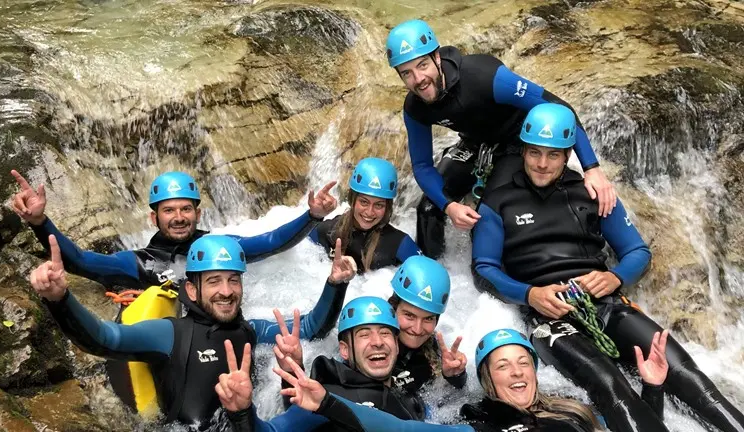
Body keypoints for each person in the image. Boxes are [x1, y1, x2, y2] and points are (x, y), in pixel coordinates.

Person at [471, 103, 744, 432]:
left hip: (606, 304)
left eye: (553, 155)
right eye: (534, 153)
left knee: (686, 374)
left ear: (568, 153)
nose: (542, 164)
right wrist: (530, 295)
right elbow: (483, 270)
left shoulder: (593, 193)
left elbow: (637, 252)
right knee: (610, 385)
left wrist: (614, 277)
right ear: (524, 151)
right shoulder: (498, 202)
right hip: (550, 320)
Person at [29, 233, 356, 428]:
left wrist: (336, 285)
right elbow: (104, 339)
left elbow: (312, 329)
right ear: (193, 290)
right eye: (214, 281)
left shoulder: (252, 330)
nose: (226, 290)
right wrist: (60, 299)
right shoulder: (170, 334)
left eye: (233, 280)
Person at [385, 19, 617, 259]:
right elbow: (422, 166)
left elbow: (559, 108)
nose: (418, 78)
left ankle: (488, 279)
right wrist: (449, 205)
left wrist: (592, 168)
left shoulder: (484, 77)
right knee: (428, 208)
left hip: (519, 142)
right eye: (407, 73)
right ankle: (432, 276)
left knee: (488, 215)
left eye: (422, 65)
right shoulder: (415, 107)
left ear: (437, 57)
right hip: (476, 144)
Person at [261, 327, 669, 432]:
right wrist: (328, 402)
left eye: (522, 363)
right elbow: (401, 430)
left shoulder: (576, 411)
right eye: (503, 366)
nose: (516, 372)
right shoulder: (481, 423)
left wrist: (652, 388)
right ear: (489, 383)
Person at [12, 170, 337, 289]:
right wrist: (40, 223)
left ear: (198, 213)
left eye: (185, 209)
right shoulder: (139, 263)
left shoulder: (218, 247)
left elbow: (271, 242)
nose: (178, 217)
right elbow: (81, 261)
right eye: (169, 210)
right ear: (154, 218)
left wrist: (312, 216)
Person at [216, 296, 427, 431]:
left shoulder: (409, 396)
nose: (378, 342)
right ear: (345, 350)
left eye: (385, 333)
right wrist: (242, 413)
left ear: (397, 346)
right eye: (364, 335)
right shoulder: (326, 397)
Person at [309, 158, 420, 273]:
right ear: (352, 200)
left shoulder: (400, 244)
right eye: (364, 202)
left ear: (387, 207)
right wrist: (314, 215)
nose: (369, 212)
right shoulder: (329, 230)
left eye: (378, 205)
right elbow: (295, 248)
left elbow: (429, 279)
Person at [388, 255, 467, 394]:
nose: (417, 329)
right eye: (409, 315)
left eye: (428, 319)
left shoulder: (435, 351)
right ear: (393, 308)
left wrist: (455, 377)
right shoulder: (371, 341)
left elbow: (453, 400)